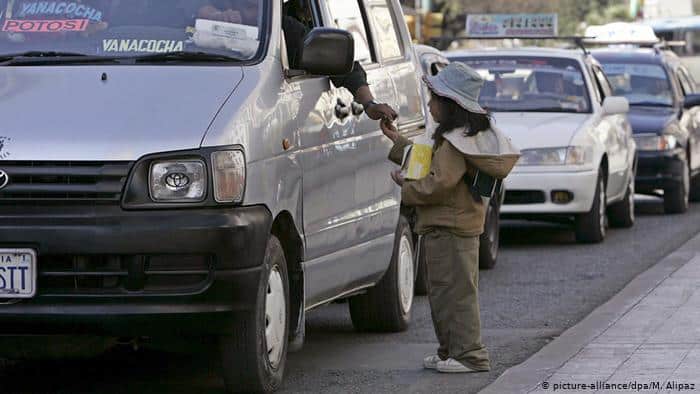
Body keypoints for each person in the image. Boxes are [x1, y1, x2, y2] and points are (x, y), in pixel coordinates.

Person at [380, 63, 519, 374]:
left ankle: (470, 356)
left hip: (452, 227)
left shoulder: (456, 141)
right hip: (447, 226)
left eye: (434, 99)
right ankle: (450, 352)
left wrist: (407, 188)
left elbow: (439, 182)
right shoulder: (457, 137)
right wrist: (398, 142)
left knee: (456, 295)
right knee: (444, 293)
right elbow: (427, 161)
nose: (429, 105)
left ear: (450, 104)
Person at [197, 0, 397, 121]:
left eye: (252, 5)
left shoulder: (283, 29)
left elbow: (341, 62)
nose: (245, 12)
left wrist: (369, 104)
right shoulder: (192, 25)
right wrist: (210, 16)